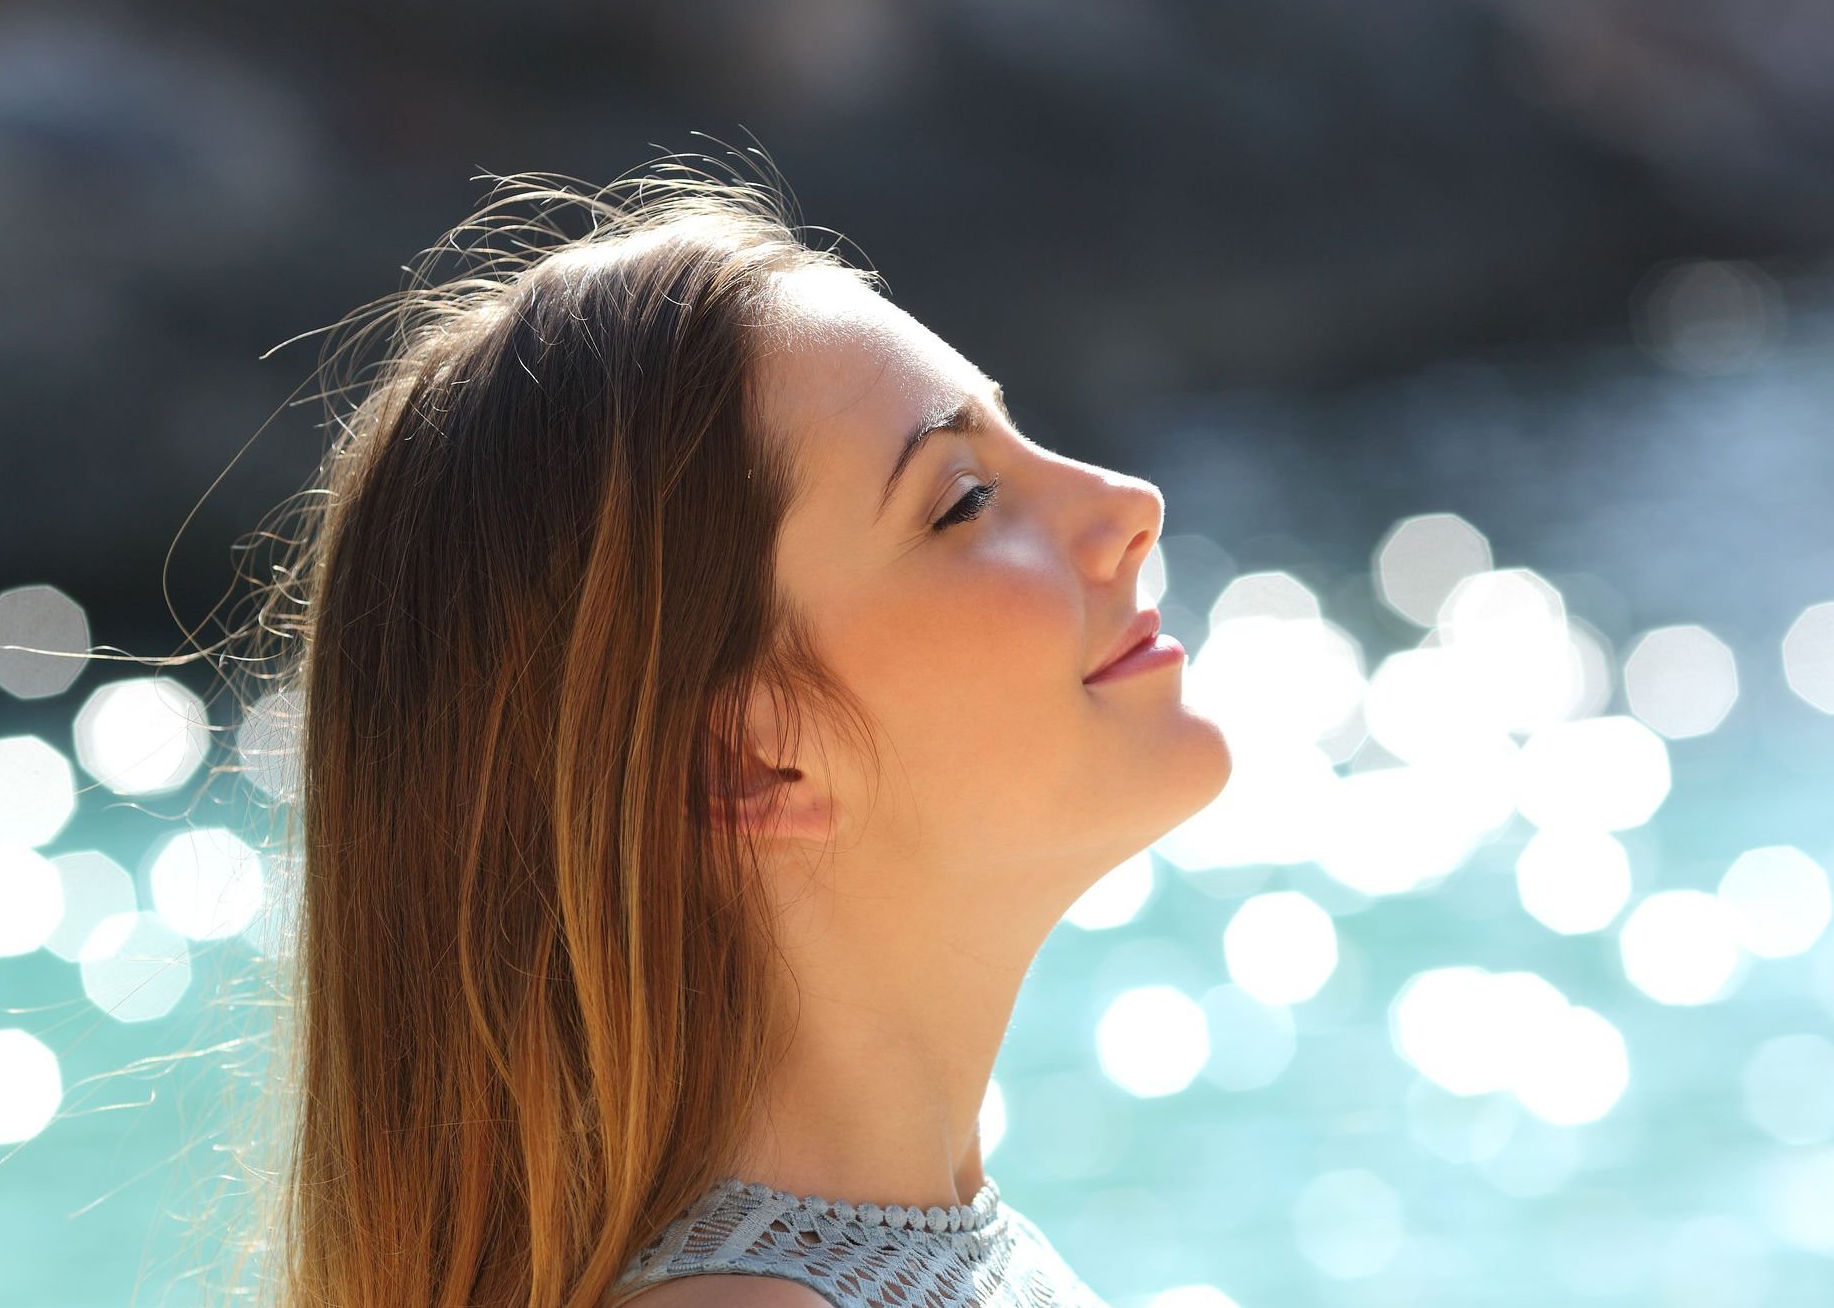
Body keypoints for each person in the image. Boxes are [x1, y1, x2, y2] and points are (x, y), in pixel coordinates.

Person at [225, 149, 1233, 1308]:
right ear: (754, 759)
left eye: (1021, 438)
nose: (1126, 505)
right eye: (962, 499)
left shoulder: (898, 1242)